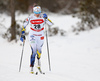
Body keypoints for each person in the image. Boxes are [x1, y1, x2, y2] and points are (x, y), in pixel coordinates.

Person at [20, 5, 53, 74]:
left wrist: (46, 18)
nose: (37, 14)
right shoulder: (30, 17)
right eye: (36, 12)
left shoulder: (43, 17)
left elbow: (51, 24)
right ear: (33, 11)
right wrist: (22, 33)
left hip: (40, 35)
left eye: (38, 12)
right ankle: (31, 67)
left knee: (39, 52)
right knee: (34, 51)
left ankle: (38, 60)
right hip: (33, 35)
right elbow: (24, 25)